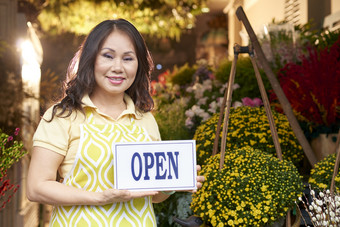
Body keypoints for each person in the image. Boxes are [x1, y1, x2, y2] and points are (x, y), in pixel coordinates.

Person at [26, 19, 204, 226]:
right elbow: (36, 187)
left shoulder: (145, 119)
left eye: (128, 58)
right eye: (108, 56)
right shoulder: (63, 116)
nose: (118, 67)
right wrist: (99, 197)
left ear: (138, 65)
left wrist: (174, 181)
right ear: (91, 59)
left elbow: (153, 195)